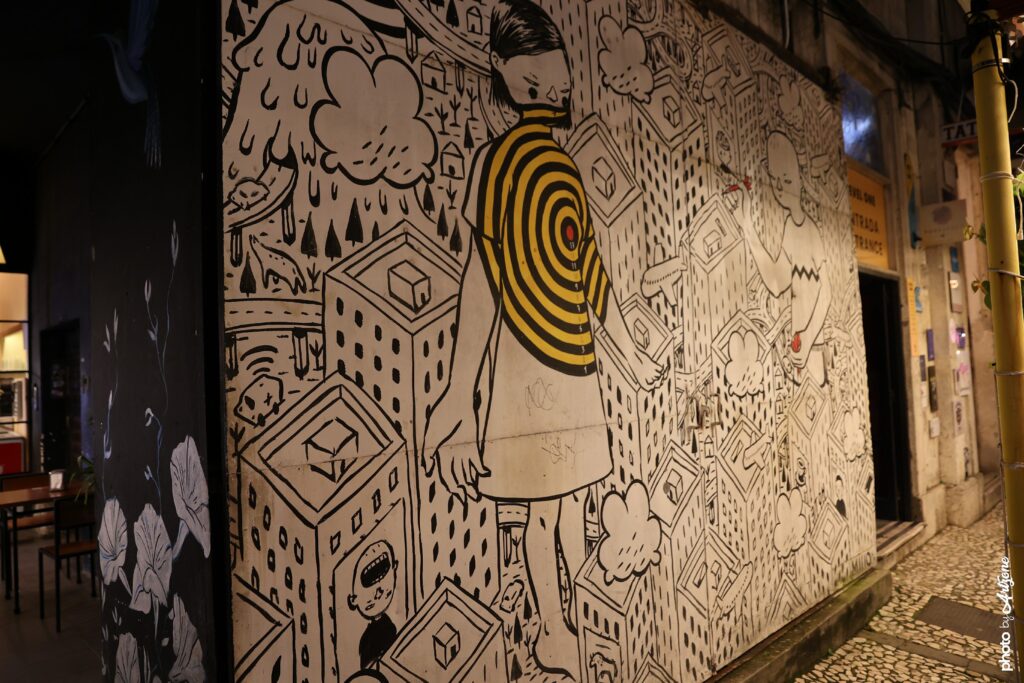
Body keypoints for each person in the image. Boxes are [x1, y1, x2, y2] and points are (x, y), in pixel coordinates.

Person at [423, 1, 666, 679]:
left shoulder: (556, 169)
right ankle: (553, 629)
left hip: (570, 361)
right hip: (532, 363)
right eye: (540, 80)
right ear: (509, 74)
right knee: (543, 511)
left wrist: (630, 358)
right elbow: (483, 278)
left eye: (555, 79)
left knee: (570, 503)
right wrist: (459, 391)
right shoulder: (503, 163)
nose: (555, 90)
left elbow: (589, 272)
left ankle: (572, 613)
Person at [732, 131, 830, 386]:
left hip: (812, 347)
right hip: (800, 345)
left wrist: (808, 337)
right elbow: (776, 282)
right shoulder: (790, 227)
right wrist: (747, 222)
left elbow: (826, 291)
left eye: (786, 180)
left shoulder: (811, 231)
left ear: (798, 180)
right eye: (774, 180)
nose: (778, 188)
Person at [348, 541, 399, 670]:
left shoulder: (387, 628)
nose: (379, 592)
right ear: (353, 600)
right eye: (369, 581)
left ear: (394, 567)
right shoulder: (367, 639)